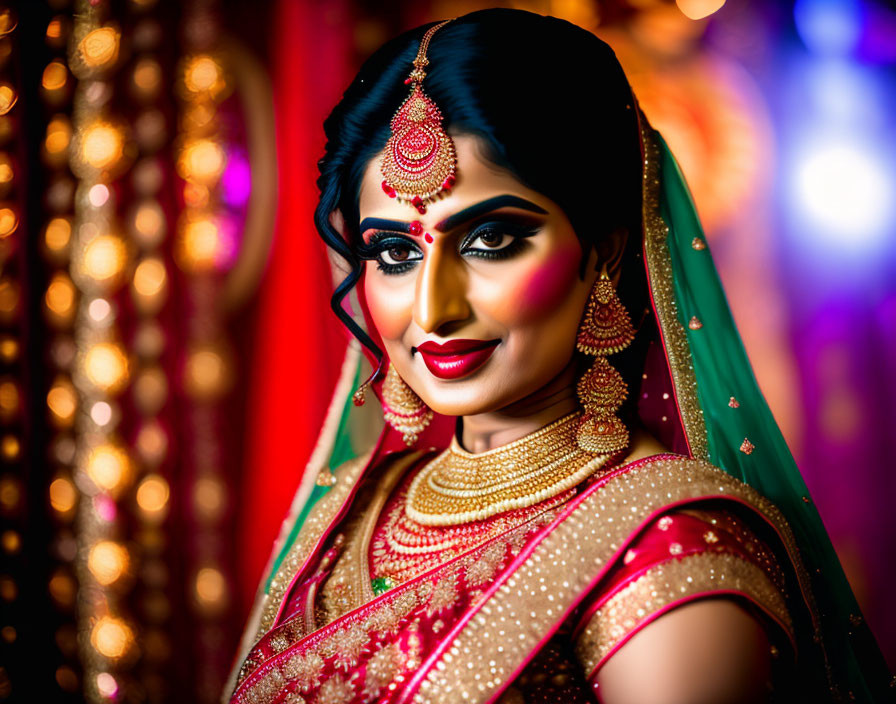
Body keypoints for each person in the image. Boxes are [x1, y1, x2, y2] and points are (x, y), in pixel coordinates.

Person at [224, 9, 891, 703]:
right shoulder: (350, 514)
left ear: (603, 246)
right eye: (394, 253)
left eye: (490, 240)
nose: (432, 308)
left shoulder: (669, 550)